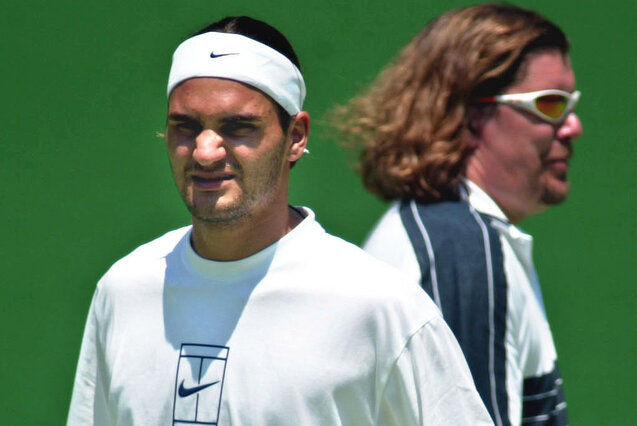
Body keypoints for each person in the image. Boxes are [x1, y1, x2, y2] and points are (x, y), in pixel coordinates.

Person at [66, 16, 494, 426]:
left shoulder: (382, 305)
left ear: (295, 137)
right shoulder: (122, 292)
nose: (204, 151)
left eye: (237, 127)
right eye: (186, 126)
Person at [331, 4, 583, 426]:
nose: (572, 125)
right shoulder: (463, 255)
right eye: (551, 104)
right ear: (467, 113)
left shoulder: (447, 236)